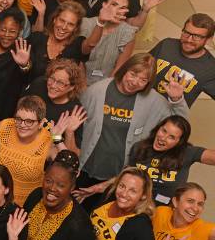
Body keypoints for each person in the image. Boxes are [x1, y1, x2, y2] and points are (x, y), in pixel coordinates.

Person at [75, 53, 190, 208]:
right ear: (125, 69)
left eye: (143, 80)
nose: (135, 82)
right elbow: (77, 124)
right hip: (85, 169)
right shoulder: (97, 91)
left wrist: (177, 100)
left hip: (121, 179)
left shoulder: (153, 101)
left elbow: (182, 127)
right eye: (133, 74)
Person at [128, 115, 215, 204]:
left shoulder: (187, 152)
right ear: (158, 128)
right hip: (135, 207)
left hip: (165, 211)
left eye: (171, 137)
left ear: (179, 142)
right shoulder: (139, 147)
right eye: (163, 131)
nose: (163, 138)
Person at [0, 96, 54, 206]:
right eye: (18, 119)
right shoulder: (4, 127)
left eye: (29, 121)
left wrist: (58, 138)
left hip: (25, 206)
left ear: (41, 123)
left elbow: (69, 169)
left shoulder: (48, 141)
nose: (22, 125)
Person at [149, 13, 215, 107]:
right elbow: (141, 66)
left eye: (197, 36)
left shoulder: (210, 69)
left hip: (168, 116)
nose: (189, 40)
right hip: (139, 104)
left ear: (208, 39)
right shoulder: (166, 45)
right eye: (186, 33)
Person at [78, 0, 142, 84]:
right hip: (79, 80)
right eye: (114, 4)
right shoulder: (85, 24)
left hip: (106, 83)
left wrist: (104, 89)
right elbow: (80, 55)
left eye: (123, 8)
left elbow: (119, 68)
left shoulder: (128, 32)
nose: (117, 10)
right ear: (104, 5)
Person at [27, 1, 90, 81]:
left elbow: (90, 44)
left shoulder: (76, 47)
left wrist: (100, 23)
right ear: (55, 19)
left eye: (70, 24)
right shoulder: (38, 39)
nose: (64, 27)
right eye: (62, 20)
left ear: (76, 28)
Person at [22, 58, 88, 129]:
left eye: (60, 83)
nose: (53, 86)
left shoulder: (74, 112)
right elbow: (19, 111)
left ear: (72, 87)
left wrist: (68, 132)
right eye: (52, 79)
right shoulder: (39, 85)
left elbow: (67, 140)